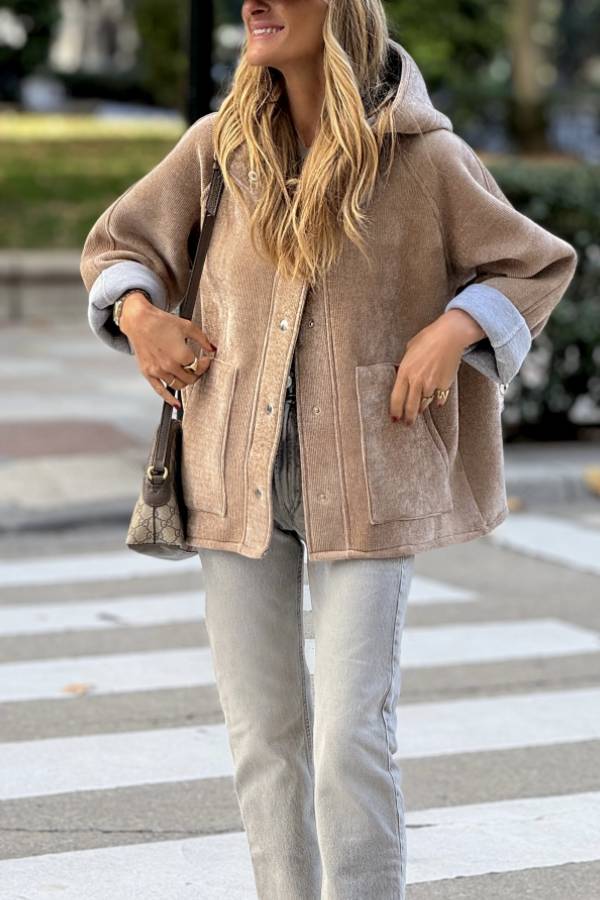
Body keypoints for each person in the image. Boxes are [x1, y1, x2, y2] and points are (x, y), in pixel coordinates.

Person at [79, 2, 578, 896]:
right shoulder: (219, 148)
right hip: (231, 469)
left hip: (371, 478)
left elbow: (535, 264)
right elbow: (121, 246)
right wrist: (141, 314)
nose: (255, 3)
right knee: (263, 736)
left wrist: (455, 327)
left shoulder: (424, 159)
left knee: (350, 736)